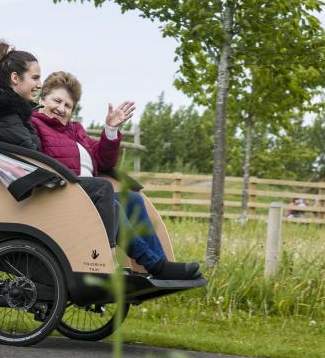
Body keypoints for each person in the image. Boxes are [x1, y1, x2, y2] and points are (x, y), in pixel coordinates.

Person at [31, 71, 199, 281]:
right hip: (64, 196)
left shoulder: (75, 131)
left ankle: (162, 264)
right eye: (57, 100)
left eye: (68, 106)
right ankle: (154, 265)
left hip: (90, 195)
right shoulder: (35, 126)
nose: (61, 109)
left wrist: (110, 130)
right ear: (42, 98)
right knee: (110, 197)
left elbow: (103, 161)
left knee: (133, 200)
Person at [0, 42, 119, 252]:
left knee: (114, 199)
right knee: (102, 188)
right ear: (16, 78)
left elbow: (31, 149)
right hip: (34, 192)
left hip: (37, 185)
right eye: (35, 78)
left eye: (68, 105)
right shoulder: (3, 113)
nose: (38, 84)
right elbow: (32, 153)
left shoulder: (10, 112)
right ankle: (106, 258)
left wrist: (110, 131)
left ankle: (143, 262)